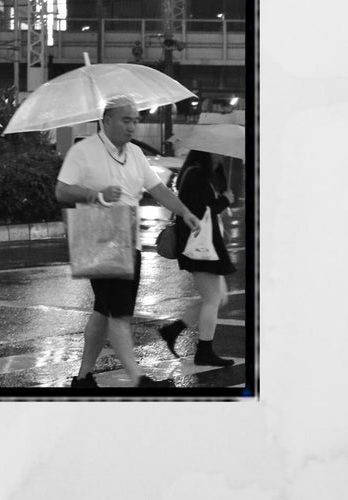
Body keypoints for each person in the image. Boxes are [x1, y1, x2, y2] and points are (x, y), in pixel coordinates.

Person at [55, 97, 203, 390]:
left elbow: (158, 189)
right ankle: (139, 381)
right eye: (126, 120)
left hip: (128, 239)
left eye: (135, 120)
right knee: (119, 313)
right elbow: (62, 190)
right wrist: (95, 195)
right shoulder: (84, 151)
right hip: (96, 236)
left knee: (104, 310)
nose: (133, 126)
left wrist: (184, 212)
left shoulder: (135, 153)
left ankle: (83, 378)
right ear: (107, 120)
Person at [157, 150, 237, 368]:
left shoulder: (203, 174)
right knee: (213, 299)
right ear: (207, 153)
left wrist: (221, 189)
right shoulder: (195, 175)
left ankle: (174, 330)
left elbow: (206, 209)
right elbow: (200, 212)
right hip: (200, 248)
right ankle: (204, 351)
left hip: (205, 246)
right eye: (218, 154)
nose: (221, 157)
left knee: (218, 297)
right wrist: (225, 200)